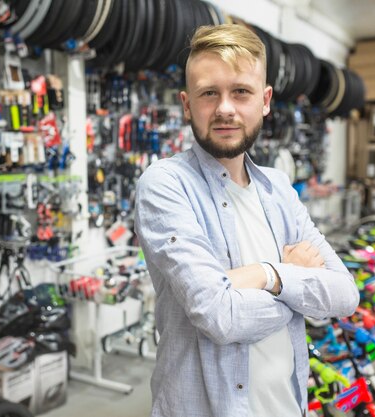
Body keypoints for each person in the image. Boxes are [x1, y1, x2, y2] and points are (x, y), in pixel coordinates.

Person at [134, 24, 359, 417]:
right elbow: (221, 317)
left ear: (265, 100)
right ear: (187, 104)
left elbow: (344, 294)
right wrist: (293, 279)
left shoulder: (278, 188)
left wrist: (264, 276)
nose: (225, 108)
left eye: (240, 91)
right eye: (209, 93)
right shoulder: (166, 185)